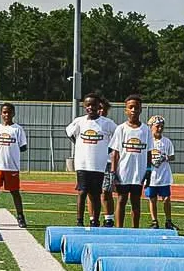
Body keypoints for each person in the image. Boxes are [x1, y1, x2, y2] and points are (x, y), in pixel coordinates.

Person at [65, 93, 117, 227]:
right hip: (82, 164)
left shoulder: (106, 123)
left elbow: (117, 136)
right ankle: (79, 221)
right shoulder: (79, 121)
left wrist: (108, 149)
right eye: (88, 105)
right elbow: (69, 132)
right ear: (84, 106)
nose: (91, 107)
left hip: (98, 165)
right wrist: (79, 144)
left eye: (93, 105)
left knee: (96, 193)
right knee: (82, 192)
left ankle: (95, 220)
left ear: (98, 106)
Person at [108, 94, 151, 228]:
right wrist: (113, 172)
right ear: (126, 110)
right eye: (130, 107)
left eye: (136, 107)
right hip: (123, 172)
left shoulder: (146, 130)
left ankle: (135, 229)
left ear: (141, 109)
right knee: (121, 200)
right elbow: (115, 153)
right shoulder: (121, 129)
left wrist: (149, 170)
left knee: (136, 202)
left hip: (139, 173)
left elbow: (149, 152)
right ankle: (119, 229)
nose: (133, 110)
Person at [143, 115, 177, 231]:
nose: (159, 129)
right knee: (152, 198)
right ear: (151, 127)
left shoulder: (166, 141)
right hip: (151, 176)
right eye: (157, 126)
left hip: (164, 176)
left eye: (162, 126)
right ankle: (154, 221)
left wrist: (164, 157)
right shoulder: (147, 141)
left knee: (166, 198)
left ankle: (168, 221)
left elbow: (172, 156)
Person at [100, 97, 118, 226]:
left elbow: (117, 143)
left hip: (107, 163)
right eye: (98, 108)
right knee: (92, 192)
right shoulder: (86, 122)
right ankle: (92, 219)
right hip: (92, 163)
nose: (100, 111)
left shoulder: (110, 124)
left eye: (103, 109)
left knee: (107, 191)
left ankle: (109, 218)